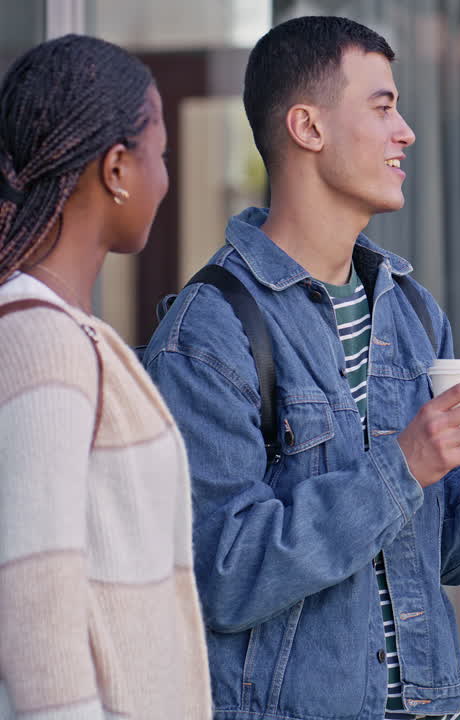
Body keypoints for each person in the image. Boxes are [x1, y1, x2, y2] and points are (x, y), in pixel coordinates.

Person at [141, 16, 460, 720]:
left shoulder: (410, 310)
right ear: (307, 128)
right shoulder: (208, 331)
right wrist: (402, 465)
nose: (405, 131)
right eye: (382, 108)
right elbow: (218, 577)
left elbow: (436, 557)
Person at [0, 35, 211, 718]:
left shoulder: (63, 333)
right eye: (161, 155)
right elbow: (35, 606)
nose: (166, 179)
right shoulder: (41, 342)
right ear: (118, 166)